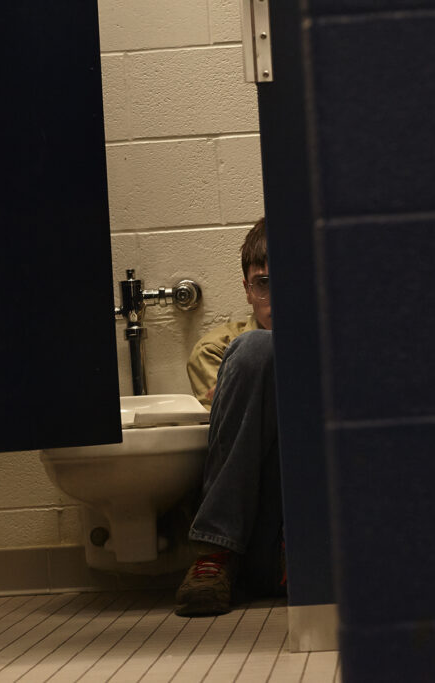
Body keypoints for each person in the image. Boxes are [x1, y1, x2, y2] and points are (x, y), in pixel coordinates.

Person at [176, 217, 284, 617]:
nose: (276, 296)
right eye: (264, 283)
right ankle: (214, 552)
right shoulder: (219, 349)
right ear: (247, 290)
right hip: (254, 536)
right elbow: (230, 439)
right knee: (258, 349)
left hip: (317, 529)